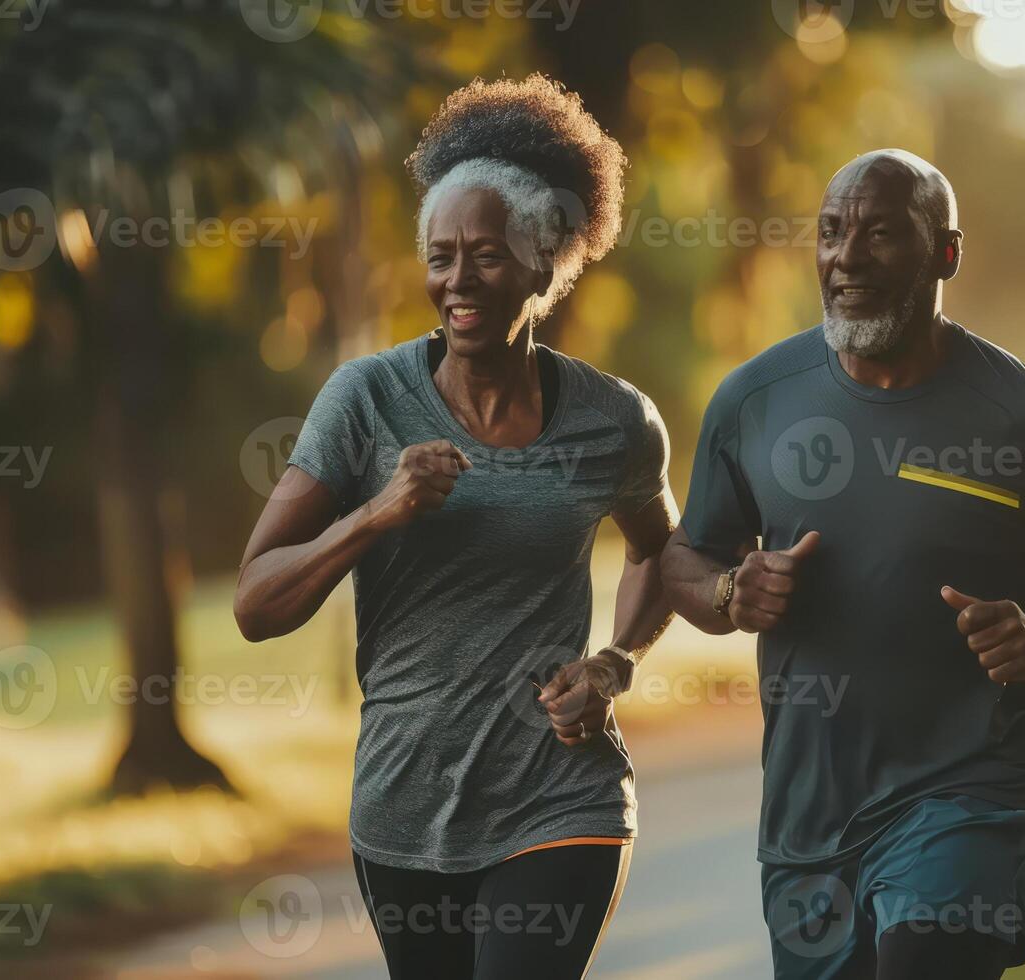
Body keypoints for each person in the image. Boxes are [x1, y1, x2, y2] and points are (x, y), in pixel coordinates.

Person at [660, 149, 1025, 980]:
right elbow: (688, 554)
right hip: (807, 821)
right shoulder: (753, 400)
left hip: (966, 794)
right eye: (830, 233)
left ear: (946, 255)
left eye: (881, 235)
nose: (847, 258)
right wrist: (727, 591)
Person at [233, 75, 677, 980]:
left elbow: (660, 553)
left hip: (562, 800)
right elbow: (255, 602)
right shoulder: (365, 402)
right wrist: (376, 512)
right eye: (440, 257)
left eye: (485, 254)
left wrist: (614, 662)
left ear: (545, 261)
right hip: (404, 807)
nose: (457, 280)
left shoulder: (613, 421)